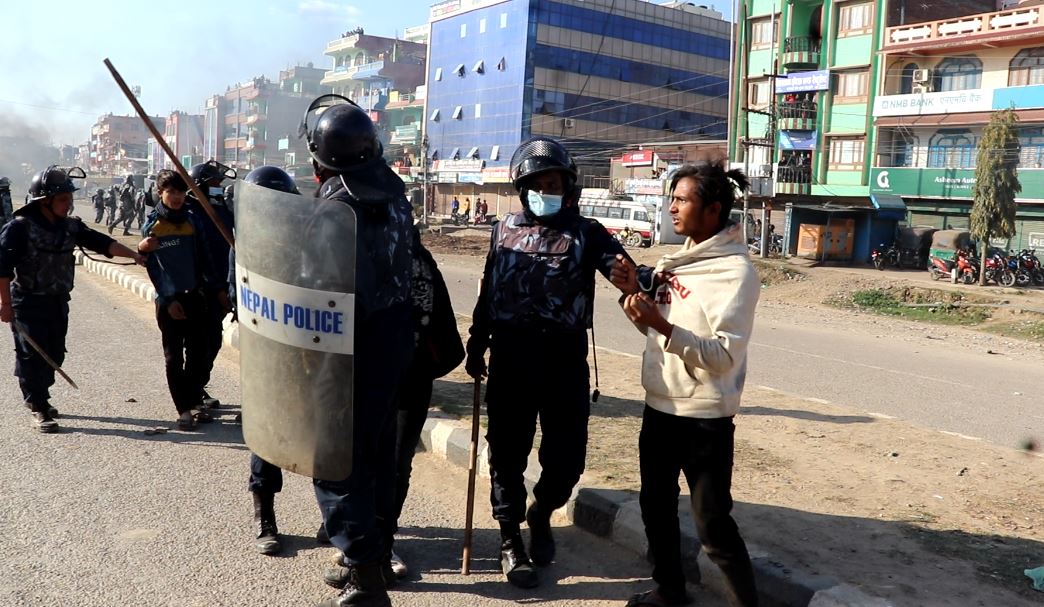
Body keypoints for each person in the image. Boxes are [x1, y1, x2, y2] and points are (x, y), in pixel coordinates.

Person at [465, 136, 648, 588]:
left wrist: (639, 279)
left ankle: (542, 511)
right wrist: (476, 342)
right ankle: (510, 540)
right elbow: (490, 290)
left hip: (564, 359)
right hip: (510, 355)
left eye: (554, 182)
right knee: (507, 454)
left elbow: (624, 269)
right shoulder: (501, 229)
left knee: (566, 461)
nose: (546, 190)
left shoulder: (587, 232)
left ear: (569, 186)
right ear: (521, 189)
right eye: (536, 184)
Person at [613, 163, 760, 607]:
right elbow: (661, 334)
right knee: (654, 509)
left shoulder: (736, 275)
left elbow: (723, 356)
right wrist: (631, 302)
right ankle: (670, 591)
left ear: (713, 209)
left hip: (705, 421)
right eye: (671, 198)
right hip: (659, 408)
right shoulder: (675, 263)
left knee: (712, 524)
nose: (671, 207)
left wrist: (659, 323)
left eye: (681, 199)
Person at [302, 95, 414, 607]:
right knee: (375, 454)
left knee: (337, 459)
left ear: (318, 156)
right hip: (393, 343)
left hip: (347, 348)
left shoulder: (333, 207)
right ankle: (366, 555)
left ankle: (366, 571)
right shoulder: (396, 195)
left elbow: (316, 291)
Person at [324, 227, 465, 588]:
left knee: (397, 464)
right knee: (357, 464)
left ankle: (383, 547)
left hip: (409, 379)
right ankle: (355, 541)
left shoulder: (420, 260)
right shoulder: (350, 254)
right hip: (359, 380)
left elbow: (437, 317)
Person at [0, 166, 143, 433]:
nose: (69, 204)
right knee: (32, 353)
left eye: (69, 198)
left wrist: (135, 256)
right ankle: (38, 405)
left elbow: (101, 243)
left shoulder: (71, 226)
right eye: (63, 199)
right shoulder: (19, 228)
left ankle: (40, 394)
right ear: (45, 201)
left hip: (57, 301)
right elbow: (3, 270)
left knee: (54, 353)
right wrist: (5, 305)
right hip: (27, 303)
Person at [232, 165, 312, 556]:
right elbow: (241, 300)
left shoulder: (309, 244)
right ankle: (265, 516)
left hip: (309, 357)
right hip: (268, 360)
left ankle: (333, 518)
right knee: (267, 439)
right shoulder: (244, 248)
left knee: (321, 440)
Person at [138, 170, 221, 431]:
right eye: (170, 192)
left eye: (180, 192)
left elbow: (207, 259)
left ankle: (195, 400)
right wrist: (168, 298)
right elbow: (155, 269)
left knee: (199, 354)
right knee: (174, 358)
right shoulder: (153, 227)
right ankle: (183, 409)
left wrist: (218, 290)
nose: (176, 197)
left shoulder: (193, 221)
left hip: (195, 298)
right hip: (168, 303)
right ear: (160, 193)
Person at [186, 161, 235, 410]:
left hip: (223, 285)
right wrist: (215, 288)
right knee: (200, 341)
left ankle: (197, 386)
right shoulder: (189, 215)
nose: (218, 188)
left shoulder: (222, 211)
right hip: (201, 290)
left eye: (220, 184)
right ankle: (192, 391)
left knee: (212, 340)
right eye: (214, 184)